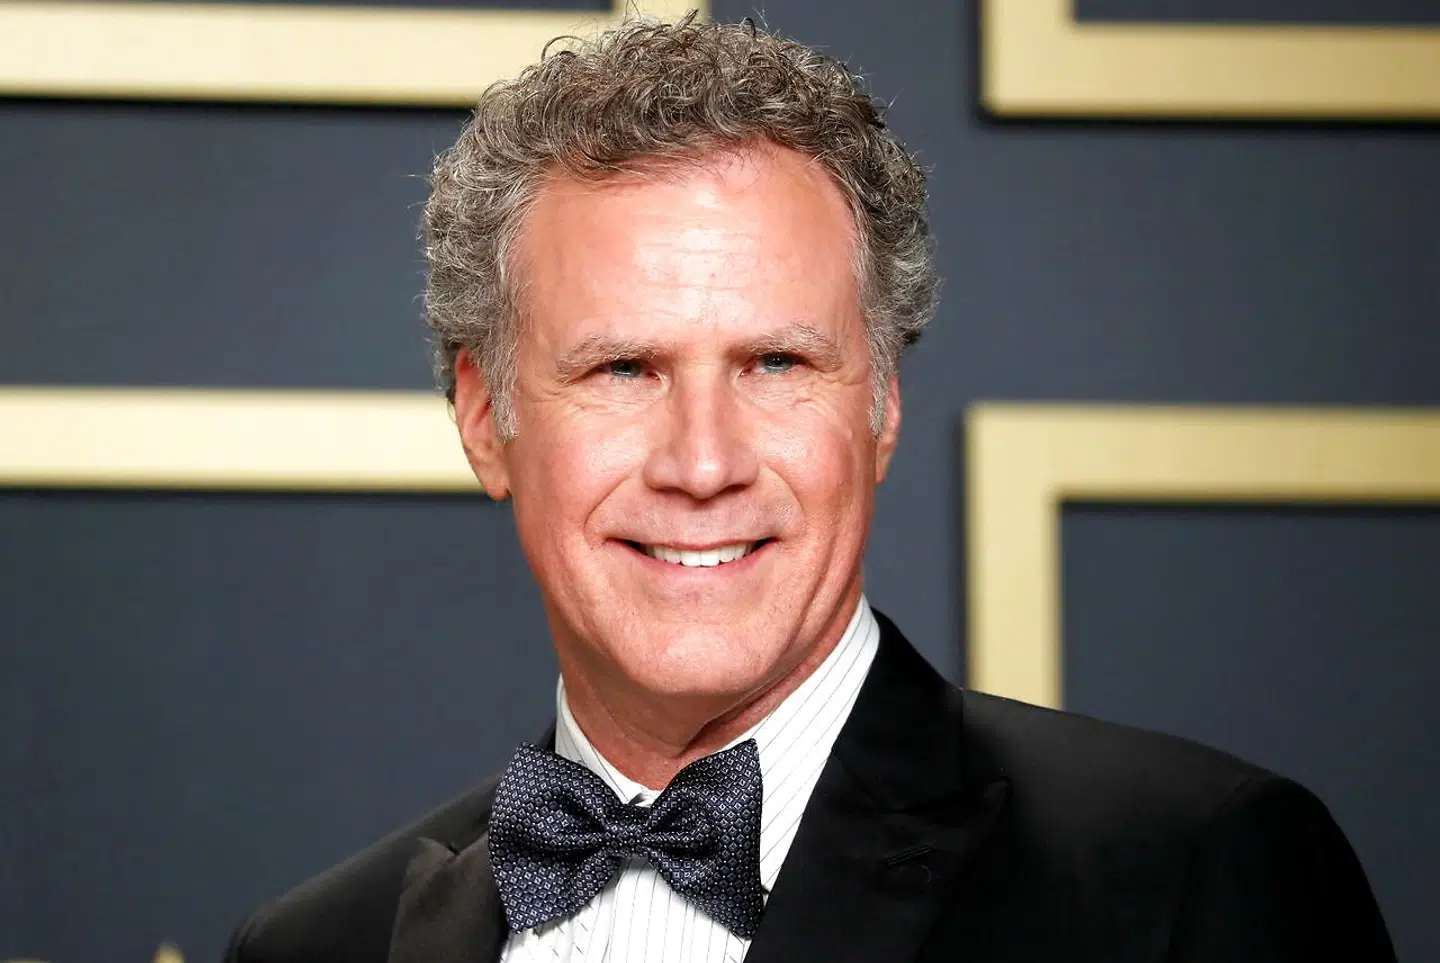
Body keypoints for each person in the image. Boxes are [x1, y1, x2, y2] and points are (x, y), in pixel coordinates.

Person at [224, 16, 1394, 963]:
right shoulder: (318, 945)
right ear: (487, 419)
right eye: (623, 368)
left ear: (880, 403)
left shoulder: (1186, 875)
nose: (702, 463)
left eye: (776, 363)